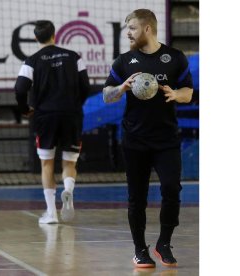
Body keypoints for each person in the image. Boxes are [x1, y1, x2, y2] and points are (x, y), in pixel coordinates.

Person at [103, 9, 193, 268]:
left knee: (172, 189)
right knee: (137, 197)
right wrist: (121, 88)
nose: (128, 33)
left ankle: (163, 243)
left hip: (166, 139)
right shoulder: (123, 62)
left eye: (131, 28)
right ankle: (139, 249)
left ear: (147, 29)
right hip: (135, 140)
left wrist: (177, 95)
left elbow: (189, 91)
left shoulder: (174, 58)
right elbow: (106, 95)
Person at [15, 20, 91, 224]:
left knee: (47, 163)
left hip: (45, 116)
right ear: (54, 35)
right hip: (72, 115)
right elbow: (86, 85)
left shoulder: (31, 61)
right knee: (69, 160)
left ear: (35, 37)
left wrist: (25, 109)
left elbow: (20, 89)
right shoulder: (74, 56)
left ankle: (51, 214)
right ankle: (68, 190)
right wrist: (76, 105)